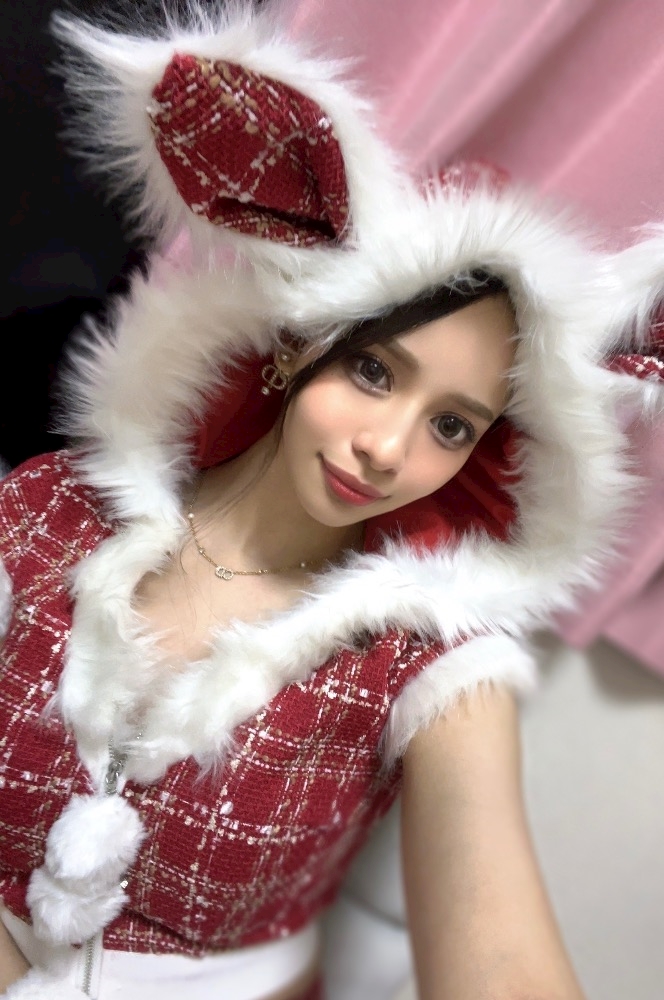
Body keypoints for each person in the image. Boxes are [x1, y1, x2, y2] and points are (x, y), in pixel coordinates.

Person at [1, 3, 662, 999]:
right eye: (373, 372)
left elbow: (501, 960)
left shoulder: (428, 659)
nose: (387, 449)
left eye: (452, 426)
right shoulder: (47, 513)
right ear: (302, 347)